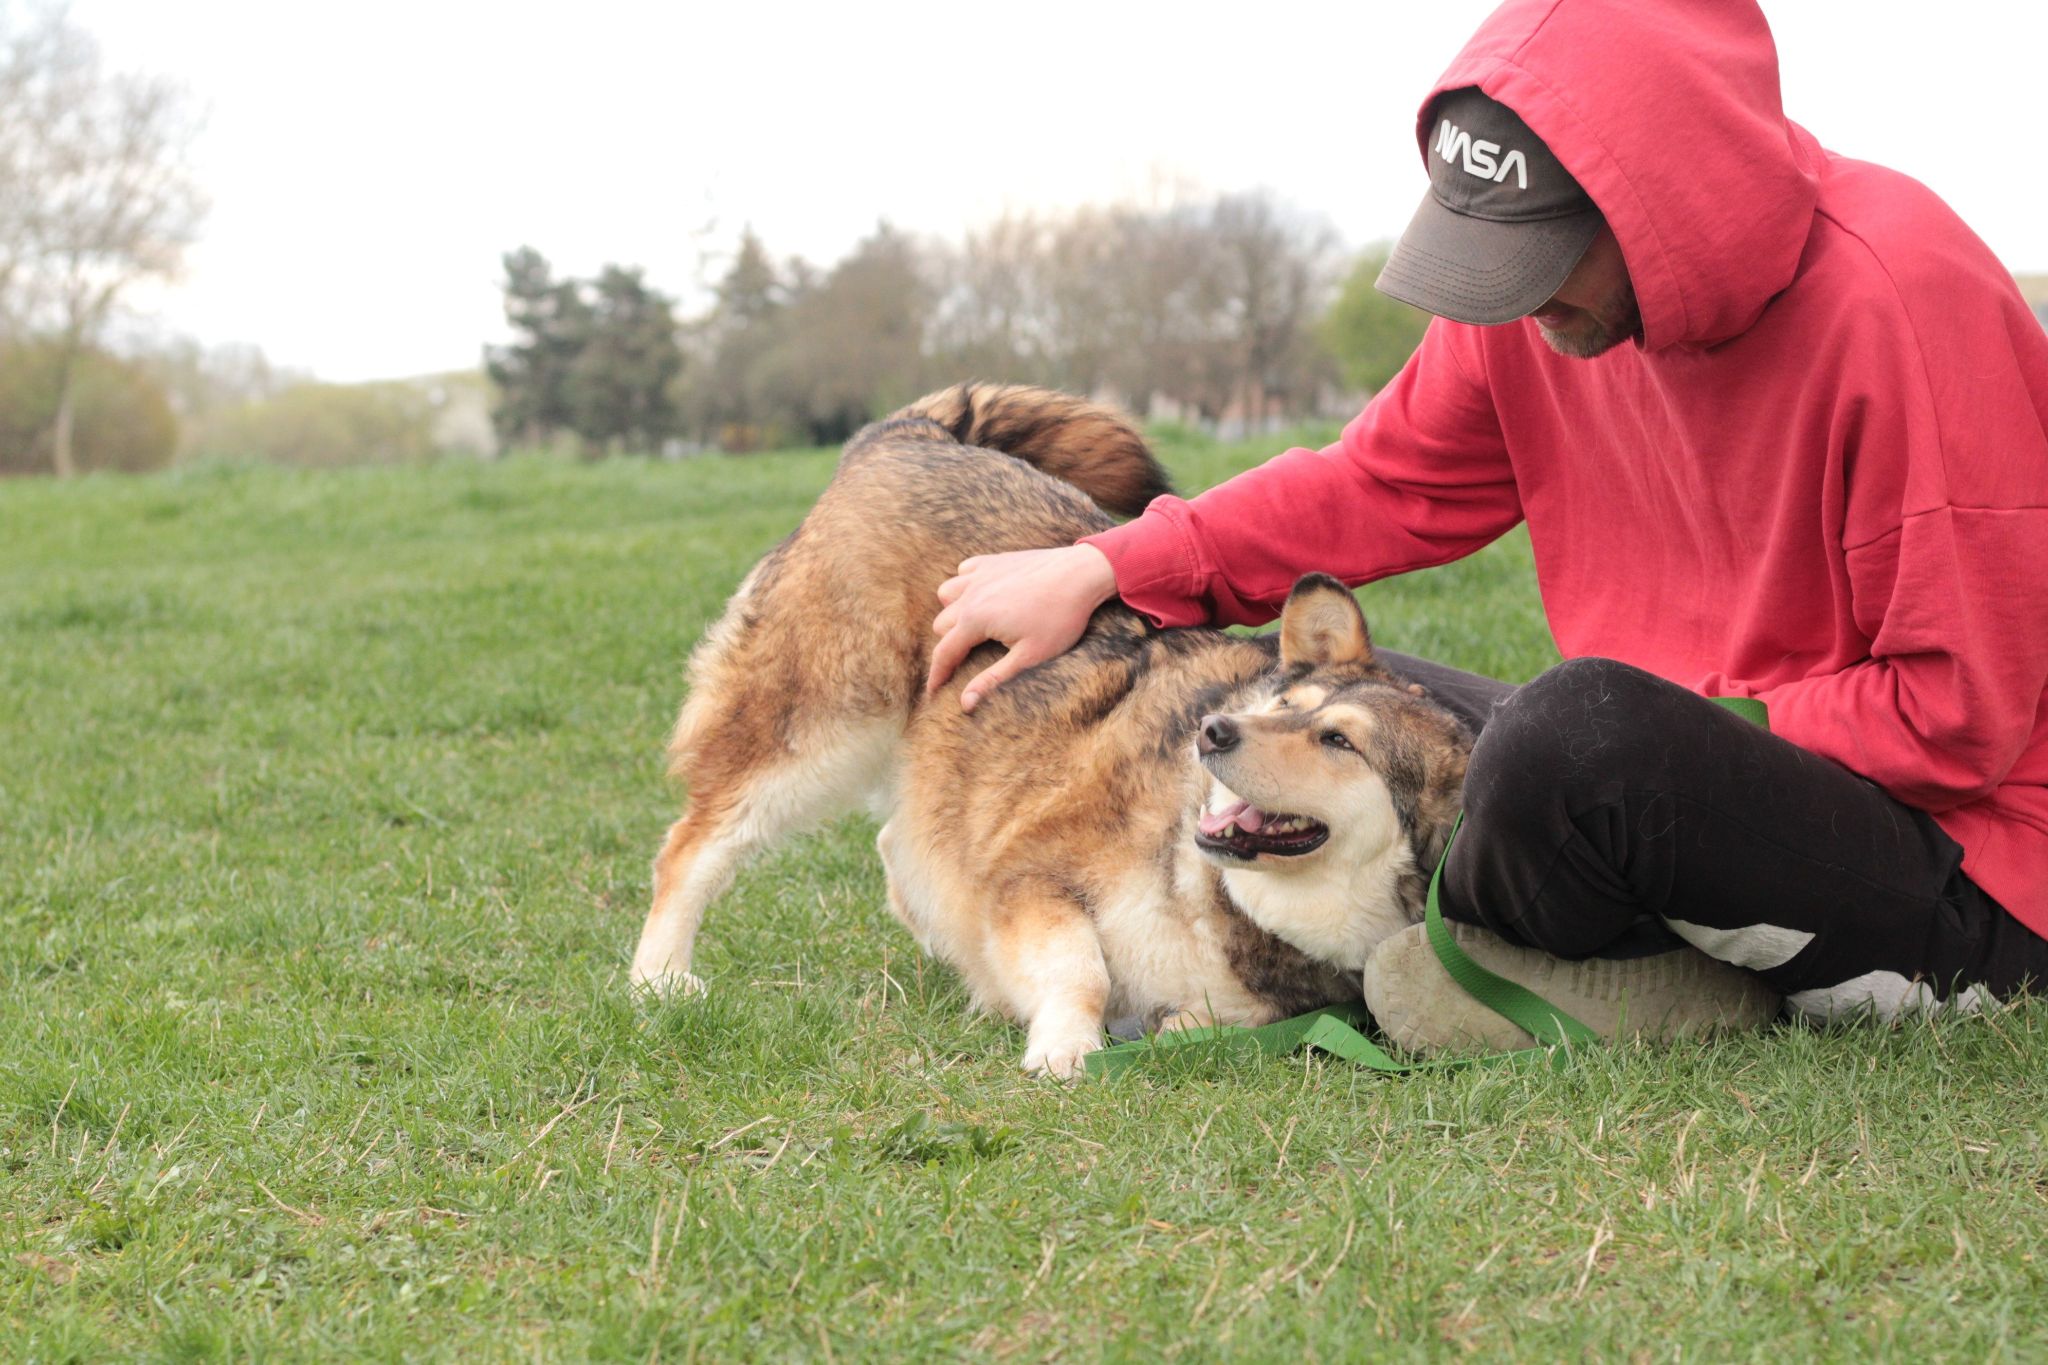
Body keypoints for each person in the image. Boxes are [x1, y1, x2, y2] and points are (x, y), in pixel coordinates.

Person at [924, 0, 2048, 1022]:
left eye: (1542, 256)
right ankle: (1539, 931)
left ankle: (1520, 957)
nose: (1517, 297)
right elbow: (1377, 480)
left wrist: (1666, 743)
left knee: (1574, 738)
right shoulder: (1532, 316)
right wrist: (1106, 567)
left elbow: (1953, 718)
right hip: (1661, 758)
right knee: (1318, 693)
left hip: (1968, 872)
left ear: (1665, 204)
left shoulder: (1900, 298)